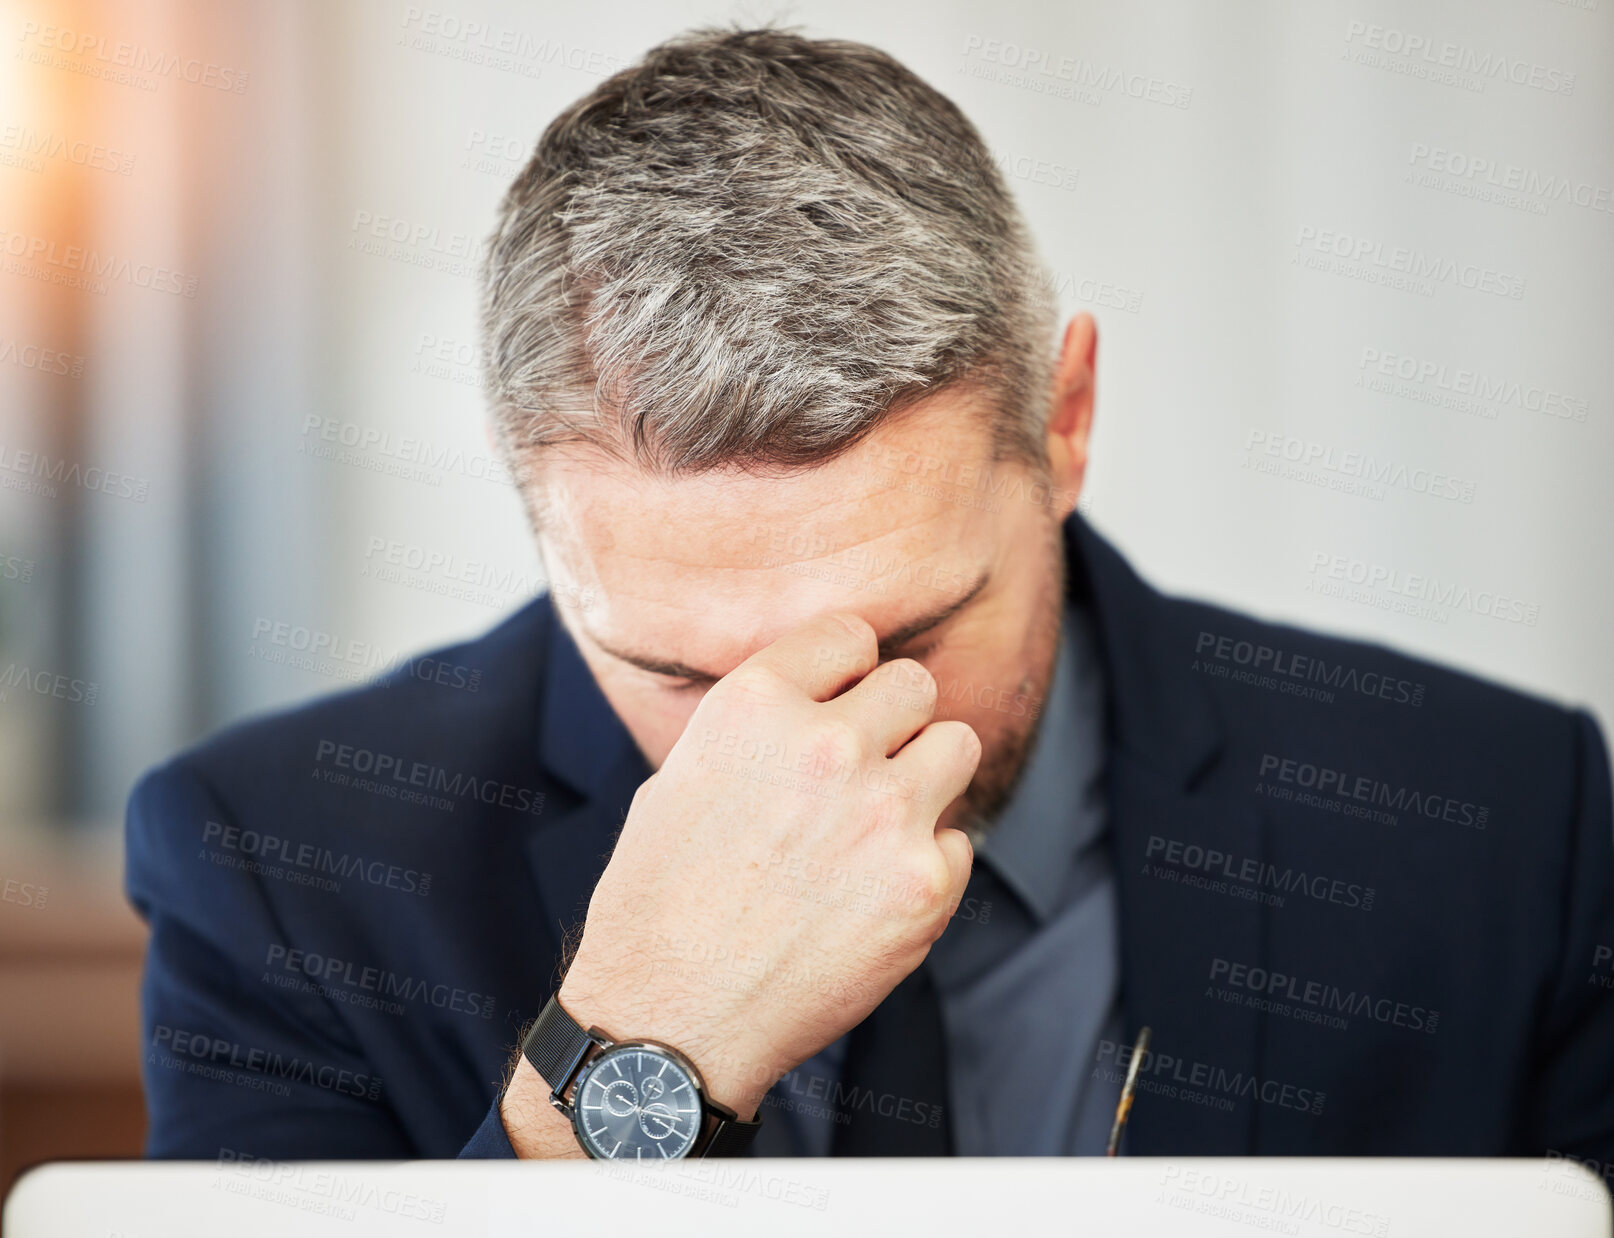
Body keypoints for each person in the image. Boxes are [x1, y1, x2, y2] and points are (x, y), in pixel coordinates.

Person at [126, 25, 1614, 1166]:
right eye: (677, 672)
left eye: (903, 639)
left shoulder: (1499, 822)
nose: (802, 745)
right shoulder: (277, 867)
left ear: (1065, 420)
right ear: (532, 505)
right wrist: (638, 1053)